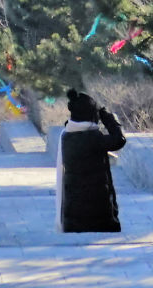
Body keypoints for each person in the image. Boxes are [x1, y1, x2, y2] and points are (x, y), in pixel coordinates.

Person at [57, 89, 129, 233]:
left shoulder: (67, 134)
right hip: (95, 210)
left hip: (74, 209)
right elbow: (119, 141)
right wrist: (109, 119)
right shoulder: (92, 138)